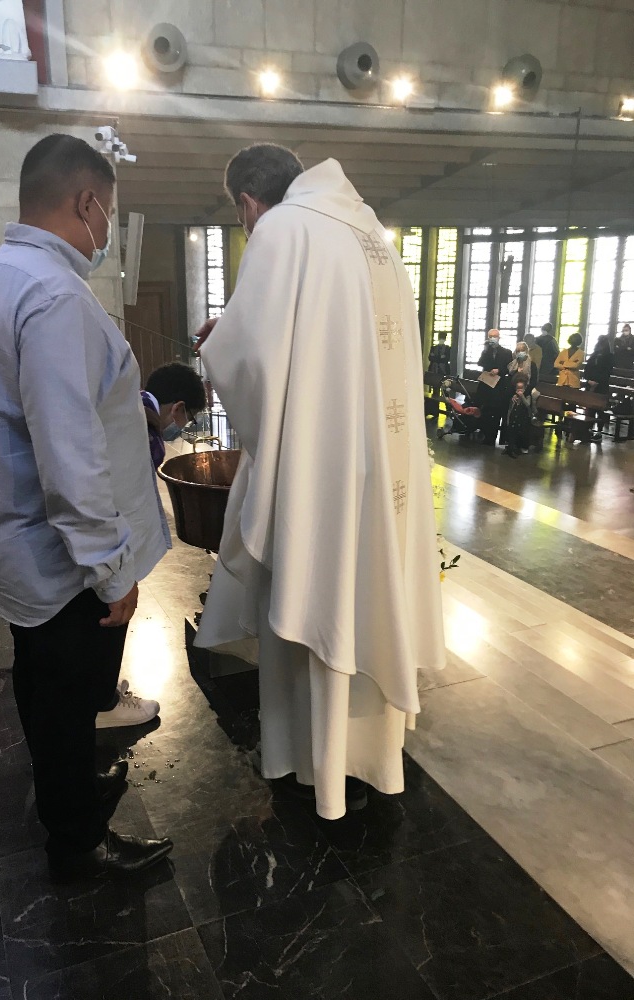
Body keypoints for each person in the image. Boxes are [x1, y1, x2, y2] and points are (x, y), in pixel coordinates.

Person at [193, 144, 445, 819]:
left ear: (249, 204)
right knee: (368, 596)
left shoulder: (283, 229)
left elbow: (253, 366)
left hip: (320, 474)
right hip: (379, 469)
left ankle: (314, 767)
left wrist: (216, 345)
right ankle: (370, 758)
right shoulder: (370, 232)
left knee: (318, 591)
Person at [0, 134, 173, 880]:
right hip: (61, 554)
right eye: (107, 210)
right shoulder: (53, 295)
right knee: (64, 694)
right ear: (86, 203)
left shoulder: (1, 272)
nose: (107, 226)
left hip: (19, 537)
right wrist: (112, 570)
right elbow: (70, 454)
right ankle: (77, 841)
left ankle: (70, 785)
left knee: (46, 683)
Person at [141, 361, 207, 468]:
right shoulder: (150, 442)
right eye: (189, 419)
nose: (185, 426)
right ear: (178, 408)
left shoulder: (134, 404)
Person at [476, 329, 512, 446]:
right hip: (486, 385)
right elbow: (480, 363)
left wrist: (499, 370)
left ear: (499, 337)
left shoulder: (506, 352)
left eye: (494, 336)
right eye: (490, 336)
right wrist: (486, 350)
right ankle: (485, 435)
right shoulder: (486, 351)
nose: (492, 338)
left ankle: (492, 437)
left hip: (499, 386)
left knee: (496, 412)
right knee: (485, 410)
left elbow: (509, 368)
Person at [585, 335, 614, 440]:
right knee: (590, 409)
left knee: (600, 410)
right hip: (591, 385)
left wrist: (597, 381)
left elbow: (607, 372)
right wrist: (589, 380)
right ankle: (589, 429)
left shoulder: (609, 356)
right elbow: (587, 368)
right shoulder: (594, 355)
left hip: (602, 386)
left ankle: (599, 431)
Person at [503, 375, 532, 458]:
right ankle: (510, 447)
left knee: (519, 434)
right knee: (511, 433)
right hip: (513, 418)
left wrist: (522, 396)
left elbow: (528, 405)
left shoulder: (527, 396)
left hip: (521, 419)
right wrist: (508, 419)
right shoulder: (514, 397)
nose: (519, 390)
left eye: (521, 389)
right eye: (517, 389)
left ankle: (517, 448)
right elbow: (510, 408)